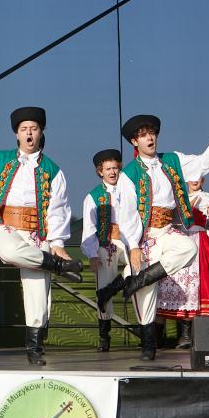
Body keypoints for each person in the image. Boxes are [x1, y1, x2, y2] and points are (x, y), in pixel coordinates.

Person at [0, 107, 80, 365]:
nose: (29, 133)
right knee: (9, 251)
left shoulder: (53, 170)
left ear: (41, 132)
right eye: (24, 129)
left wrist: (57, 244)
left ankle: (34, 348)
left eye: (33, 128)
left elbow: (58, 209)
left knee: (38, 293)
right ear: (16, 134)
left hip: (37, 231)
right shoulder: (1, 159)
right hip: (5, 225)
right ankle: (56, 266)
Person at [96, 114, 209, 360]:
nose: (150, 138)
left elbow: (201, 164)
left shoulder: (172, 160)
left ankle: (139, 279)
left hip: (167, 230)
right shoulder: (129, 174)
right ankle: (148, 344)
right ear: (135, 142)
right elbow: (127, 214)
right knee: (146, 294)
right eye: (143, 135)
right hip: (144, 235)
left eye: (152, 133)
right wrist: (134, 247)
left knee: (188, 248)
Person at [157, 176, 209, 348]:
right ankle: (156, 337)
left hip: (197, 241)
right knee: (171, 286)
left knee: (192, 287)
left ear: (203, 180)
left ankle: (186, 336)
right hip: (177, 242)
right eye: (191, 176)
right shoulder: (178, 197)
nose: (194, 180)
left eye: (198, 177)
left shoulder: (204, 197)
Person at [81, 149, 127, 352]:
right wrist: (92, 254)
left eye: (115, 168)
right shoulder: (93, 197)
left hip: (129, 241)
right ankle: (104, 336)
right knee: (103, 282)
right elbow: (89, 229)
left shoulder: (130, 190)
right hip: (106, 242)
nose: (112, 172)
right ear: (100, 171)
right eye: (108, 169)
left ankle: (112, 289)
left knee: (140, 268)